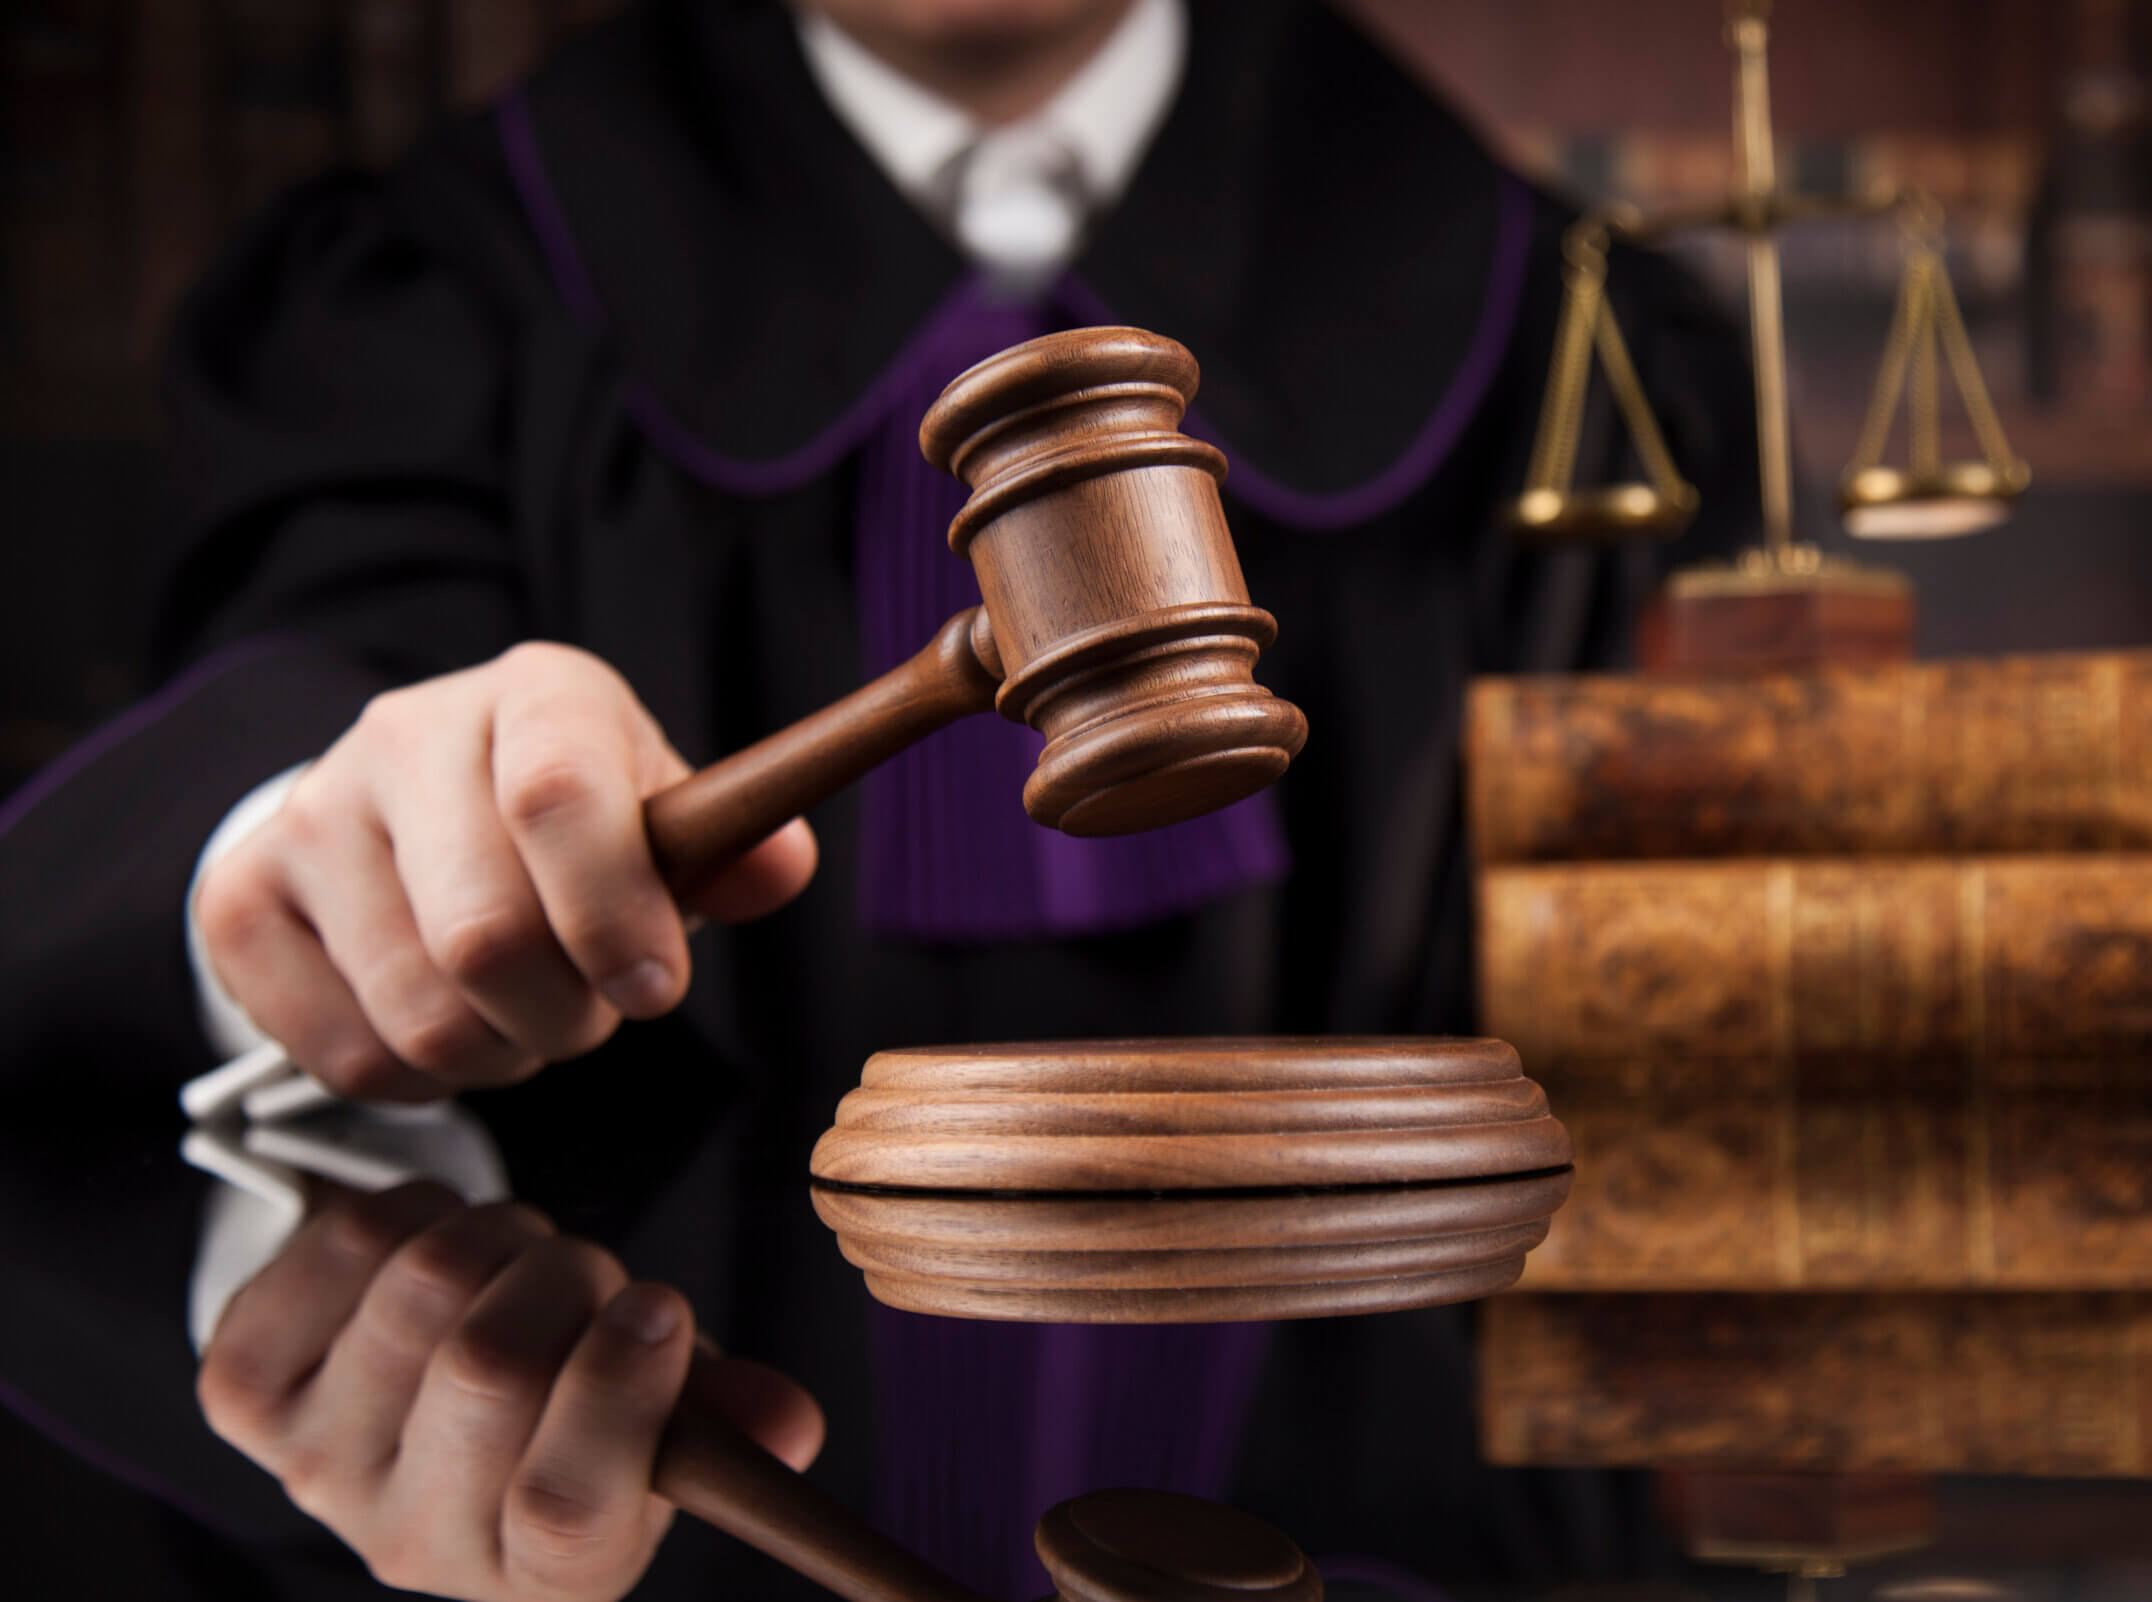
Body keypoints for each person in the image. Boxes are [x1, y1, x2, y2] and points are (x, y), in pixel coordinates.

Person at [0, 1, 1758, 1597]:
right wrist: (320, 855)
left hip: (1393, 1457)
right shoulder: (439, 284)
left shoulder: (1570, 327)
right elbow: (300, 683)